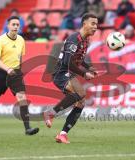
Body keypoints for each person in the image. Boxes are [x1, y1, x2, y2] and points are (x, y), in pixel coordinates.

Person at [43, 13, 98, 144]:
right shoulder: (74, 39)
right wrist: (84, 74)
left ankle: (62, 134)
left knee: (81, 102)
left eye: (97, 24)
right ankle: (50, 113)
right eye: (93, 23)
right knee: (81, 93)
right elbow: (68, 63)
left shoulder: (85, 41)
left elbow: (79, 59)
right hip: (60, 73)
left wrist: (88, 67)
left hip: (69, 73)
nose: (96, 27)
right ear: (84, 24)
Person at [0, 16, 39, 135]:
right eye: (13, 24)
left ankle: (28, 128)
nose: (16, 27)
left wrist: (19, 71)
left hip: (16, 73)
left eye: (18, 25)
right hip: (2, 73)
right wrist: (7, 69)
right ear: (8, 26)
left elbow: (20, 58)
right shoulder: (0, 40)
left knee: (22, 98)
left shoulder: (21, 40)